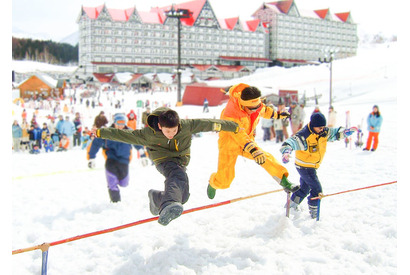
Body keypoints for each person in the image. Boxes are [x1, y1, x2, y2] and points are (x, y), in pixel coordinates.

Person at [92, 107, 239, 226]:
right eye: (168, 131)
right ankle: (168, 202)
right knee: (177, 177)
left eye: (174, 130)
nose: (171, 134)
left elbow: (211, 123)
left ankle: (157, 198)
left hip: (181, 161)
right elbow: (123, 135)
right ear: (160, 126)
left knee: (182, 196)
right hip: (163, 160)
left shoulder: (187, 126)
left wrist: (234, 127)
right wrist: (100, 132)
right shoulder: (147, 134)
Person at [207, 84, 299, 200]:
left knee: (264, 157)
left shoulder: (255, 105)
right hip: (229, 144)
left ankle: (284, 181)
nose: (255, 110)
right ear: (243, 104)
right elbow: (238, 134)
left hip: (247, 142)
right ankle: (213, 182)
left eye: (257, 107)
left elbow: (264, 110)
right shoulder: (230, 114)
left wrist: (278, 115)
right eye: (252, 109)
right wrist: (253, 149)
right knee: (225, 181)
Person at [280, 112, 356, 219]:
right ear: (313, 125)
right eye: (319, 128)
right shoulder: (304, 135)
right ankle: (314, 212)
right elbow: (291, 142)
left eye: (323, 127)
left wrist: (346, 132)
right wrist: (286, 152)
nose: (322, 129)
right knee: (317, 189)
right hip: (304, 166)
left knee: (304, 188)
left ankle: (291, 206)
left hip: (311, 166)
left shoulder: (323, 132)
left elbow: (335, 133)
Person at [87, 113, 137, 203]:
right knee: (112, 181)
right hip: (111, 159)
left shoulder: (130, 132)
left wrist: (142, 154)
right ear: (114, 122)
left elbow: (138, 142)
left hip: (124, 160)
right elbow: (95, 144)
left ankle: (119, 182)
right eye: (119, 123)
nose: (121, 126)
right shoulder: (107, 132)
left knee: (124, 183)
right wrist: (91, 158)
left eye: (123, 123)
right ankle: (115, 201)